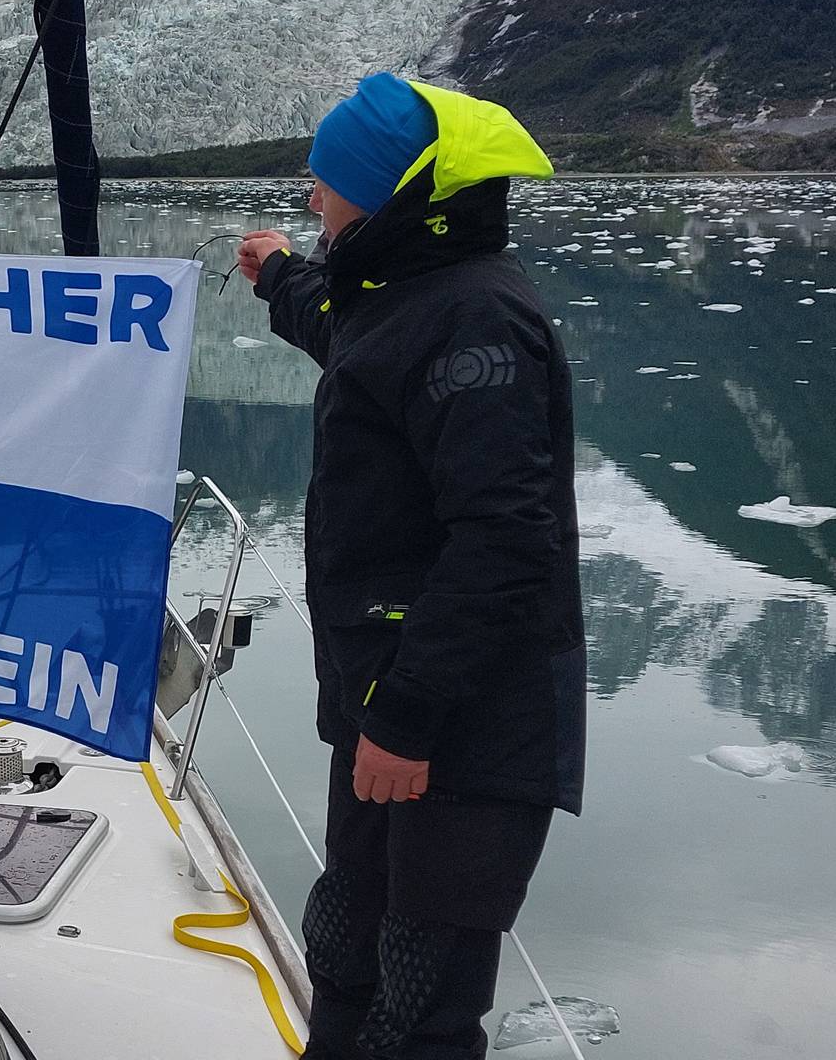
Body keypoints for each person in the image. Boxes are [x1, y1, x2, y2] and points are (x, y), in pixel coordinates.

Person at [234, 74, 586, 1059]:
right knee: (348, 947)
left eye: (326, 183)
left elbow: (504, 541)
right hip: (389, 704)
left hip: (460, 726)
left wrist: (406, 715)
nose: (313, 202)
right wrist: (278, 276)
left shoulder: (478, 322)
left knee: (420, 1004)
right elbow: (352, 334)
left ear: (389, 197)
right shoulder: (407, 289)